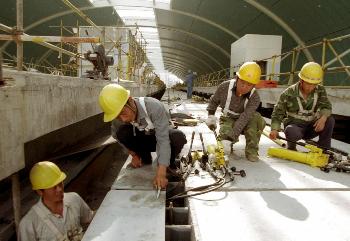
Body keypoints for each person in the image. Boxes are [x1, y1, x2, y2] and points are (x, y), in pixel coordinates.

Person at [98, 84, 187, 189]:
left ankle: (167, 164)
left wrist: (161, 173)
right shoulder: (118, 119)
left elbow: (163, 140)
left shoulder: (154, 107)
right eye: (117, 116)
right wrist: (133, 155)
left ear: (130, 101)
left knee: (178, 137)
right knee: (122, 132)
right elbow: (118, 138)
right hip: (143, 139)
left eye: (123, 113)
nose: (123, 119)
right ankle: (144, 158)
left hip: (159, 138)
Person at [205, 62, 266, 162]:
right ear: (237, 78)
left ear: (254, 85)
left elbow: (244, 118)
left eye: (249, 85)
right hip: (228, 117)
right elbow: (214, 101)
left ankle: (252, 151)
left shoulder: (255, 97)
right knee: (223, 140)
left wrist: (231, 138)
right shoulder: (224, 87)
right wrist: (211, 116)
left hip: (245, 120)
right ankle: (228, 146)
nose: (244, 87)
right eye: (242, 82)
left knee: (256, 119)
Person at [19, 161, 94, 241]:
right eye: (54, 187)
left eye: (60, 183)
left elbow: (90, 219)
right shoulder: (29, 224)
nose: (60, 189)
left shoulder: (74, 199)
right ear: (40, 191)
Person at [269, 62, 334, 150]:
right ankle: (291, 147)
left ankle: (324, 149)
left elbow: (326, 105)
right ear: (301, 80)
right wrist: (274, 129)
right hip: (296, 128)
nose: (311, 87)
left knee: (330, 120)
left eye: (314, 84)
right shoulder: (288, 93)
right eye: (308, 84)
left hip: (311, 126)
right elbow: (277, 112)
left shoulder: (320, 90)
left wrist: (323, 118)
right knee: (290, 130)